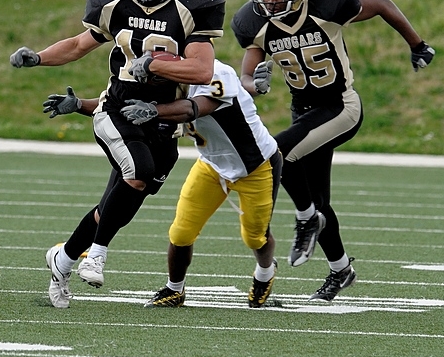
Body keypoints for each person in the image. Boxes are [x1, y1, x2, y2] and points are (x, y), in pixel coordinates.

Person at [10, 0, 224, 308]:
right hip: (116, 111)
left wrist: (153, 64)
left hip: (161, 122)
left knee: (117, 206)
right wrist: (39, 58)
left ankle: (62, 259)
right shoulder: (115, 4)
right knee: (138, 172)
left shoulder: (191, 9)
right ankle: (95, 256)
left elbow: (202, 70)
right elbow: (78, 45)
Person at [232, 0, 436, 302]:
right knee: (319, 202)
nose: (272, 0)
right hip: (304, 114)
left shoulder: (326, 5)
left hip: (340, 106)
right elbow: (246, 76)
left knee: (277, 153)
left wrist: (417, 44)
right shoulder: (255, 23)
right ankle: (340, 269)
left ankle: (306, 219)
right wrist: (255, 83)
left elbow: (382, 4)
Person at [44, 58, 282, 308]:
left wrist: (154, 110)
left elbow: (193, 108)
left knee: (254, 236)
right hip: (211, 164)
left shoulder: (215, 73)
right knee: (180, 232)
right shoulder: (161, 77)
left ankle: (265, 273)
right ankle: (174, 289)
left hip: (256, 165)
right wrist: (80, 104)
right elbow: (119, 107)